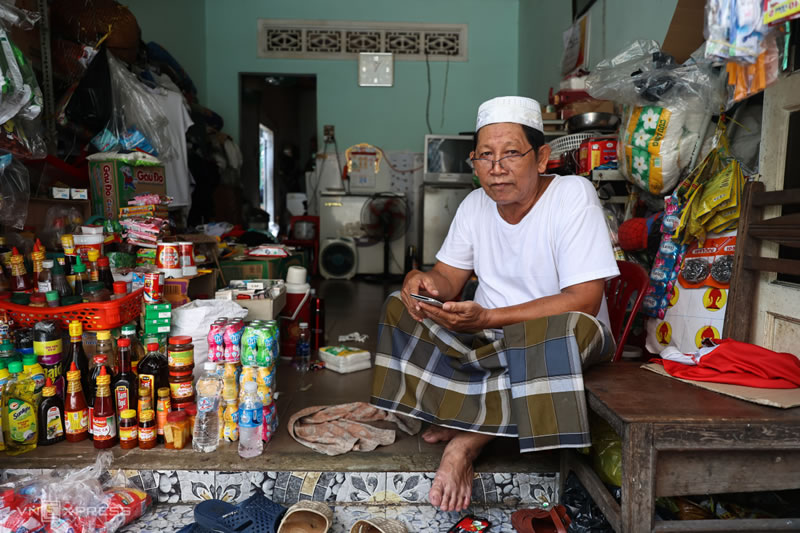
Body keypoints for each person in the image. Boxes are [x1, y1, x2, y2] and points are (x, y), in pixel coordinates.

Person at [370, 96, 620, 512]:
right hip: (488, 340)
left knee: (562, 331)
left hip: (556, 340)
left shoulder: (572, 195)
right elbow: (448, 279)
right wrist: (422, 283)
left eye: (511, 154)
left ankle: (467, 441)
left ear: (542, 158)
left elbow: (584, 301)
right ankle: (466, 413)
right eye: (485, 155)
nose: (496, 167)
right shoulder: (475, 205)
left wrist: (489, 316)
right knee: (401, 307)